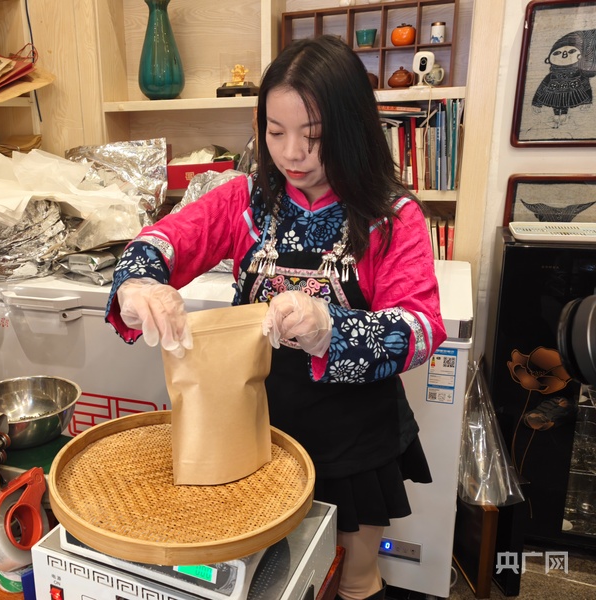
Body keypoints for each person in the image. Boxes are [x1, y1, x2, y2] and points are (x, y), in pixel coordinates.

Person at [104, 35, 446, 600]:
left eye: (313, 136)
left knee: (353, 579)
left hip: (354, 435)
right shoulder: (246, 200)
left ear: (352, 128)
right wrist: (139, 284)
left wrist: (331, 328)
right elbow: (162, 240)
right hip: (253, 426)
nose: (292, 154)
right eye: (275, 132)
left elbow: (423, 327)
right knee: (267, 580)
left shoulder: (391, 217)